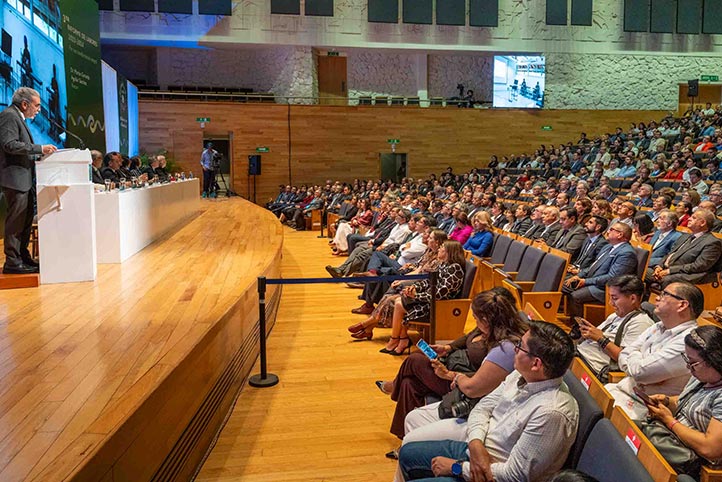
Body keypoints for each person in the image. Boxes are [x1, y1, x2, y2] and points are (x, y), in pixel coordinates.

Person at [397, 321, 578, 482]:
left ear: (536, 364)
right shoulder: (521, 374)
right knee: (407, 453)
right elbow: (483, 407)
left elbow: (515, 476)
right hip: (478, 448)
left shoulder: (551, 413)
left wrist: (457, 468)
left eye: (520, 347)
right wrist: (476, 444)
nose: (515, 349)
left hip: (490, 472)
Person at [376, 288, 526, 441]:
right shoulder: (488, 329)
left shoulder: (503, 349)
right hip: (455, 368)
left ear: (487, 320)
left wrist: (449, 375)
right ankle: (405, 438)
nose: (475, 321)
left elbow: (481, 383)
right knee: (409, 383)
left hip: (459, 384)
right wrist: (448, 347)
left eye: (476, 318)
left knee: (414, 359)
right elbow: (468, 337)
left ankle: (395, 386)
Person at [606, 282, 701, 419]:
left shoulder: (687, 342)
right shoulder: (658, 326)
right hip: (623, 389)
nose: (657, 298)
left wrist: (637, 358)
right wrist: (638, 361)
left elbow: (640, 373)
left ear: (682, 305)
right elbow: (624, 353)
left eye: (664, 295)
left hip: (646, 409)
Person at [645, 325, 722, 475]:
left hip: (691, 463)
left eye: (693, 362)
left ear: (714, 360)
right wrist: (666, 401)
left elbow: (710, 448)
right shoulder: (701, 377)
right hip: (672, 442)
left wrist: (669, 421)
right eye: (687, 359)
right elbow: (685, 405)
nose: (688, 367)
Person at [0, 87, 57, 274]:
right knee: (16, 222)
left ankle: (22, 257)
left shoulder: (18, 118)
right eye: (37, 105)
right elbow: (9, 144)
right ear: (24, 104)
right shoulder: (9, 116)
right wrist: (39, 149)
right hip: (14, 180)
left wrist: (36, 156)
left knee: (24, 222)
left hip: (24, 179)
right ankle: (12, 261)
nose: (38, 110)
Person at [381, 240, 465, 356]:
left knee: (399, 304)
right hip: (430, 300)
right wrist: (414, 287)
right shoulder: (444, 264)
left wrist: (416, 296)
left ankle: (397, 339)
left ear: (449, 252)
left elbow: (439, 294)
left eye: (442, 248)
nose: (439, 249)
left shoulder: (455, 269)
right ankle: (401, 339)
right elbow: (428, 282)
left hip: (439, 306)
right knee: (399, 300)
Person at [574, 275, 654, 377]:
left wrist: (600, 339)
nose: (610, 303)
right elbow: (598, 335)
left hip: (591, 367)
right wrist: (589, 333)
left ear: (632, 298)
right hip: (578, 354)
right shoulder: (615, 315)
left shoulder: (641, 323)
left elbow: (626, 359)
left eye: (614, 298)